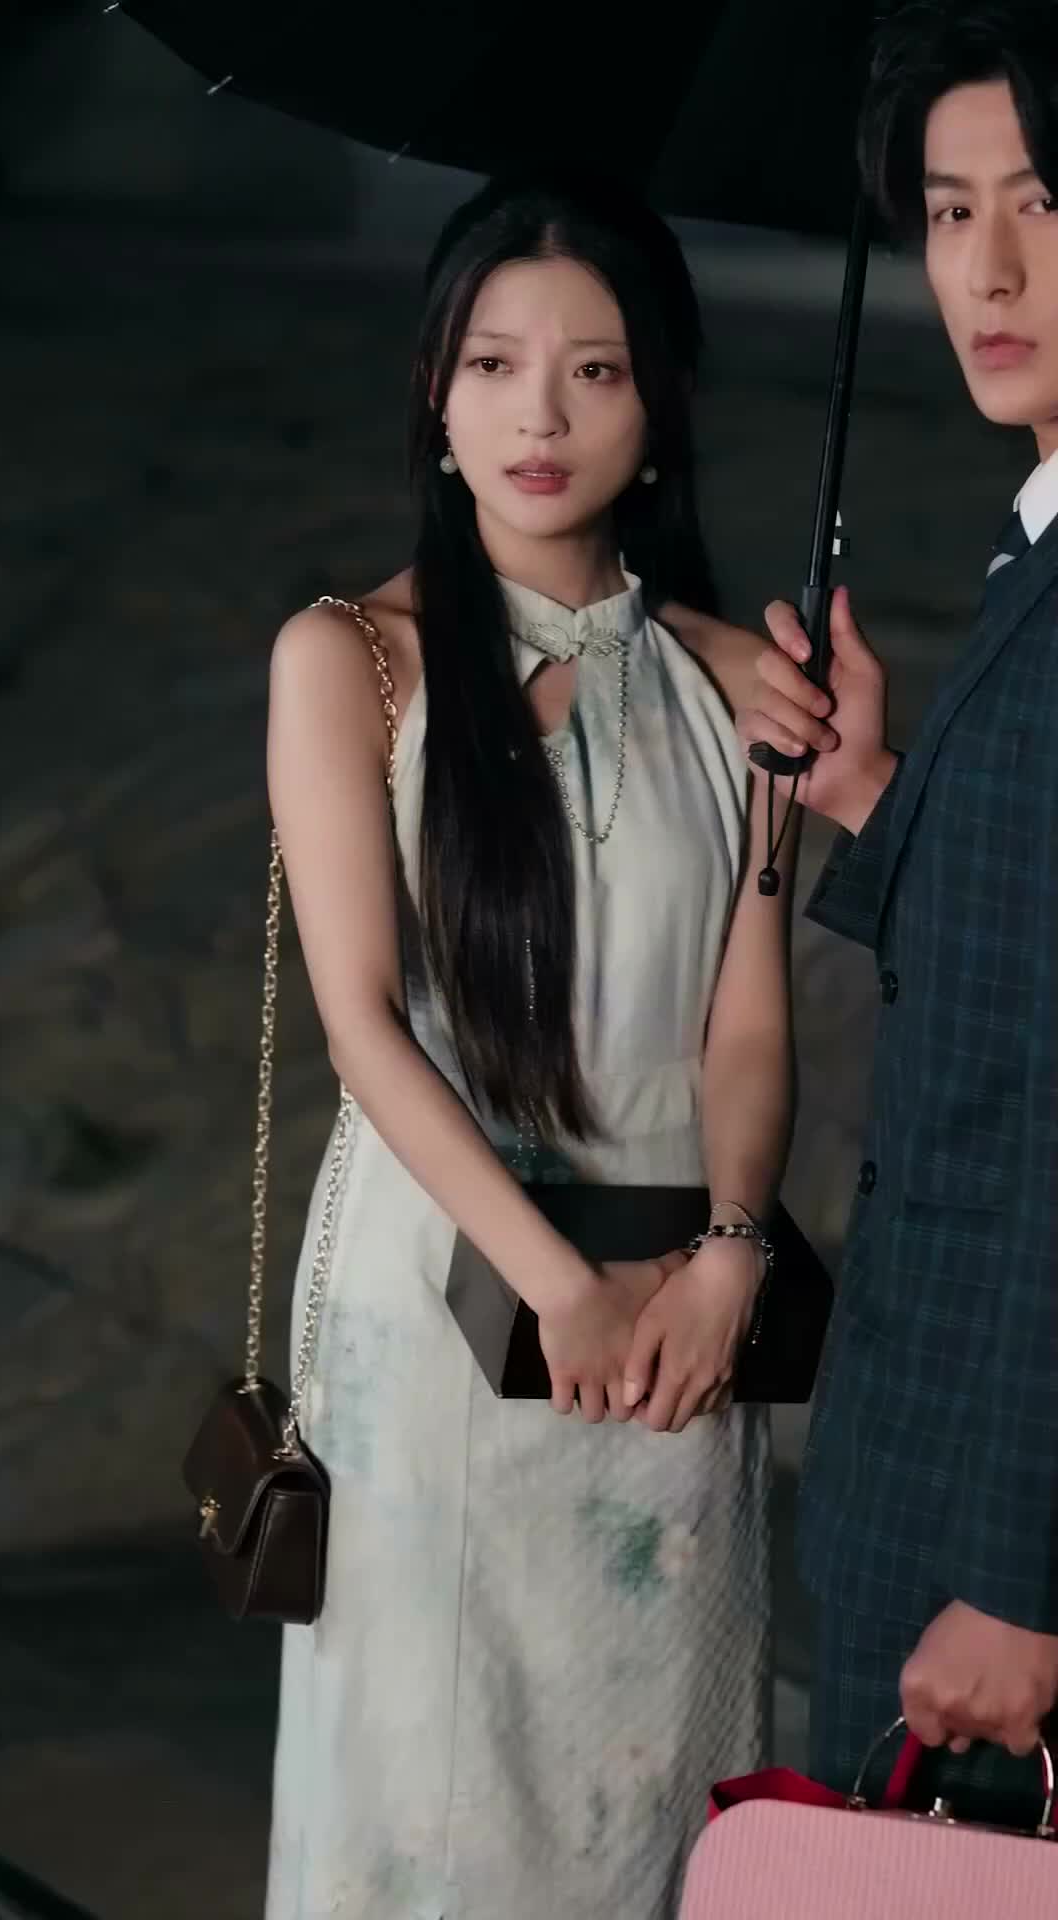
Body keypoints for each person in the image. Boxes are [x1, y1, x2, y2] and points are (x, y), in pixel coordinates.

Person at [263, 172, 796, 1918]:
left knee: (649, 1809)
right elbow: (363, 1023)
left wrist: (732, 1256)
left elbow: (744, 1018)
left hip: (680, 1325)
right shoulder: (354, 660)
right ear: (437, 391)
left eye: (595, 370)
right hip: (448, 1307)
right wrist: (558, 1285)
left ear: (663, 407)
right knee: (428, 1810)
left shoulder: (742, 688)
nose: (539, 418)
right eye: (493, 365)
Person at [740, 0, 1058, 1828]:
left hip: (991, 1539)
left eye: (1042, 202)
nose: (987, 270)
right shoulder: (1039, 553)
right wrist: (875, 795)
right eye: (948, 212)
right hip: (935, 1469)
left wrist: (1022, 1574)